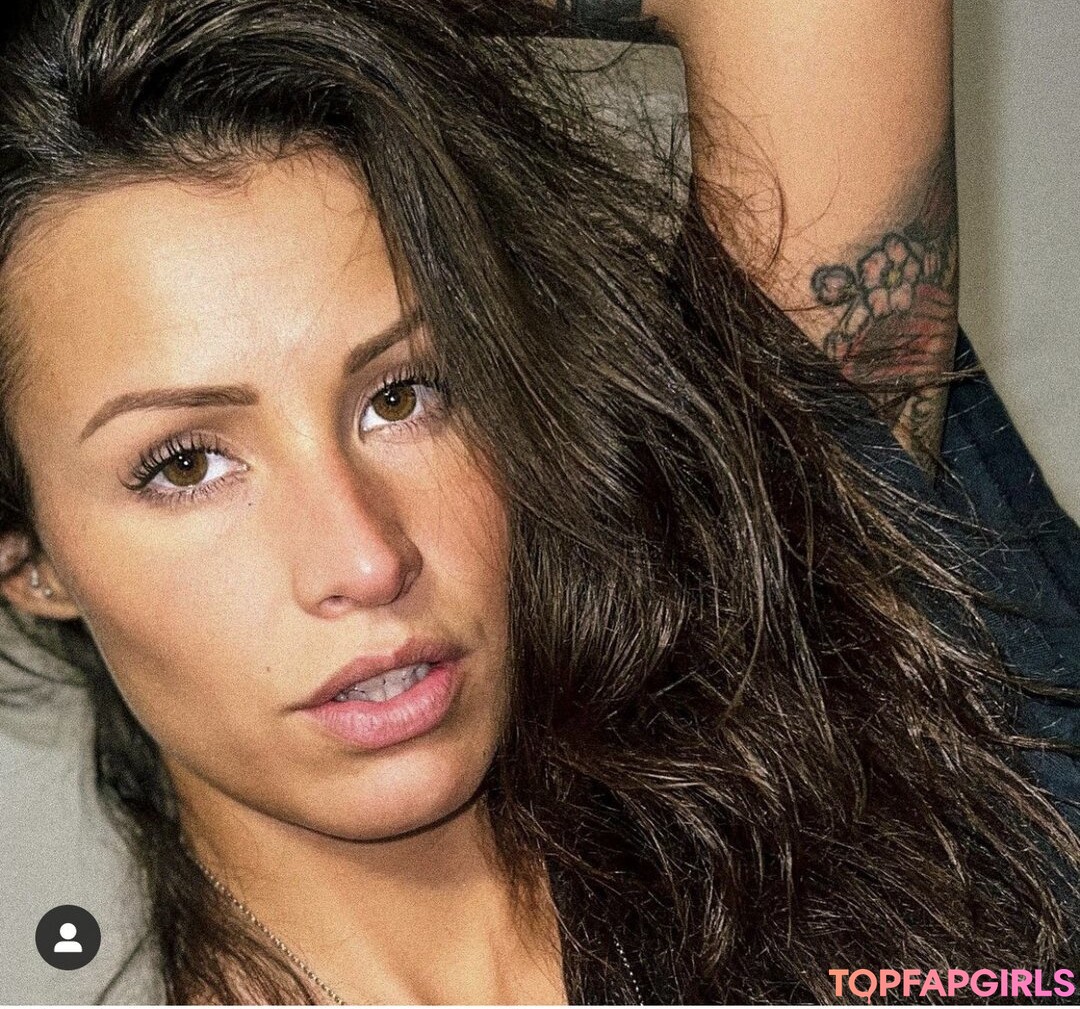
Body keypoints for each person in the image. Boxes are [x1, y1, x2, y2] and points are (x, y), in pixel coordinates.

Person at [0, 0, 1076, 1004]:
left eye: (404, 395)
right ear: (29, 557)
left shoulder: (815, 661)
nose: (366, 558)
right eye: (186, 464)